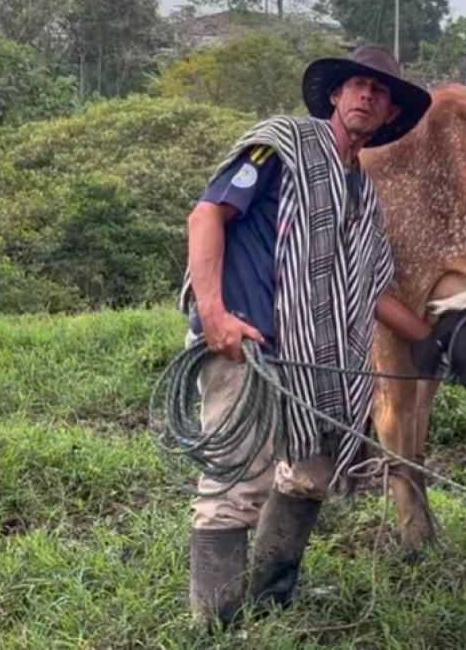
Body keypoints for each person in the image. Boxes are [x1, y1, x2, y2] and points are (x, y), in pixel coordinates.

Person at [182, 44, 432, 625]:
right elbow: (206, 215)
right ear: (336, 95)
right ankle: (215, 625)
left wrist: (433, 339)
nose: (367, 95)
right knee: (235, 482)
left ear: (390, 113)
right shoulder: (280, 147)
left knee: (310, 475)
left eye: (380, 91)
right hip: (247, 344)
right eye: (357, 85)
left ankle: (271, 602)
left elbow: (370, 290)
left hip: (318, 364)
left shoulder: (362, 193)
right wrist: (214, 315)